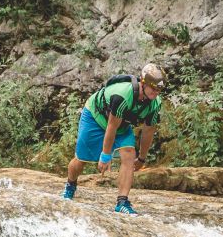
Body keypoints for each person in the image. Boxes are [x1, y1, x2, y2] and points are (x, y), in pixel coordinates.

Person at [62, 63, 166, 214]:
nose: (157, 92)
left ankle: (122, 202)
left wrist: (142, 158)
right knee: (81, 160)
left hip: (122, 125)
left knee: (129, 153)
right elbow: (111, 126)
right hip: (95, 117)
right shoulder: (123, 95)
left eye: (160, 89)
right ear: (143, 83)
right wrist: (105, 155)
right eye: (154, 88)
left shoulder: (155, 104)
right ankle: (70, 185)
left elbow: (148, 132)